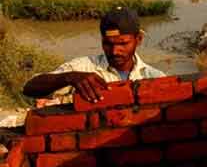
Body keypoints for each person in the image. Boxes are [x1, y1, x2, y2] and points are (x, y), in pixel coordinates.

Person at [23, 7, 165, 104]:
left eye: (123, 44)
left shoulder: (155, 77)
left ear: (138, 39)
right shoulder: (84, 67)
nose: (115, 51)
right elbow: (30, 88)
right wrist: (69, 77)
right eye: (108, 44)